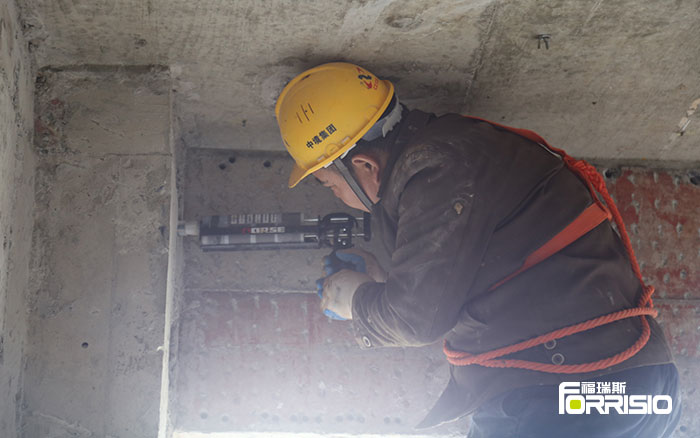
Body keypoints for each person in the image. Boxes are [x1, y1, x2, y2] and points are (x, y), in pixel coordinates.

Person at [274, 62, 681, 437]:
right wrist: (385, 281)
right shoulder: (457, 146)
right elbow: (480, 270)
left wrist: (356, 301)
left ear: (364, 165)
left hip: (567, 391)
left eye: (331, 184)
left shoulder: (434, 167)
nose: (337, 196)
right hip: (622, 386)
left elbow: (415, 321)